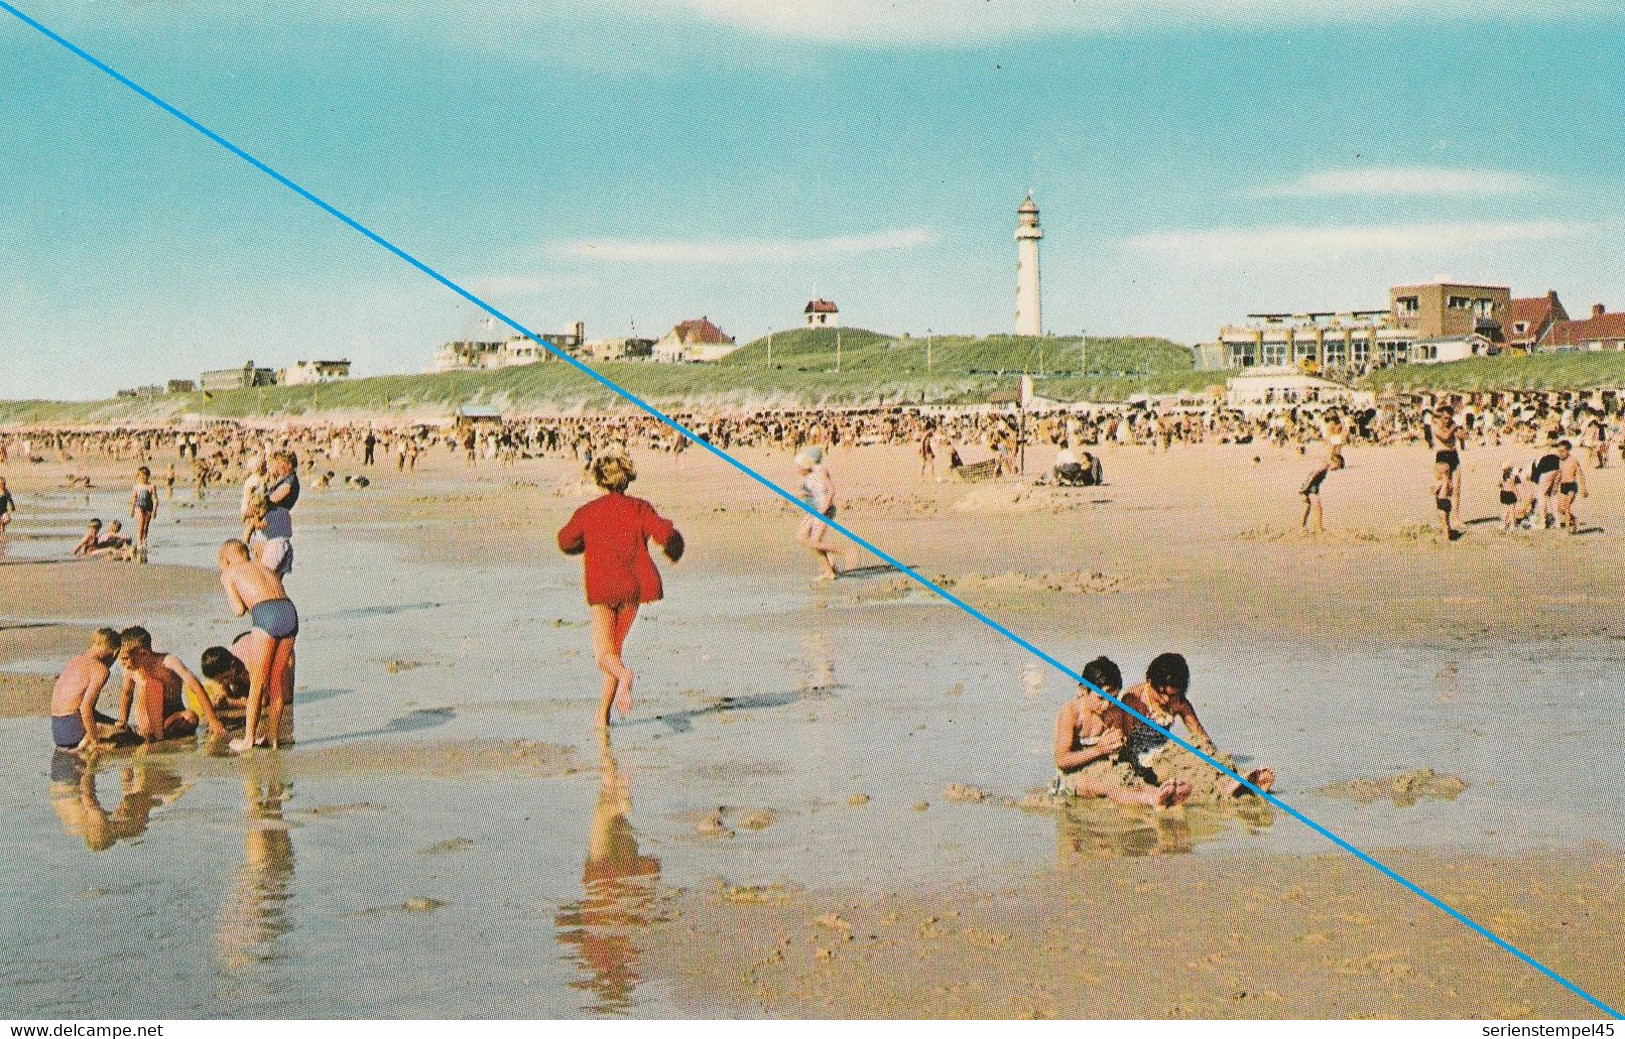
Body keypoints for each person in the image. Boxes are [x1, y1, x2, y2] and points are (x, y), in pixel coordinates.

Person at [557, 454, 683, 727]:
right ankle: (603, 717)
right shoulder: (640, 508)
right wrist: (674, 548)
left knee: (604, 656)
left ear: (600, 481)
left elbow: (565, 540)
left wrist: (583, 545)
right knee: (614, 651)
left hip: (603, 588)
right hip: (632, 588)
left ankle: (625, 678)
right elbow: (665, 533)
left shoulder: (589, 511)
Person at [1120, 652, 1274, 802]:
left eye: (1172, 695)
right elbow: (1127, 744)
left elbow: (1201, 736)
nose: (1166, 699)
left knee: (1197, 746)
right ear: (1150, 681)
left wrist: (1215, 757)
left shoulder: (1178, 702)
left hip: (1164, 752)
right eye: (1161, 693)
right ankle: (1224, 786)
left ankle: (1234, 778)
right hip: (1144, 760)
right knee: (1185, 765)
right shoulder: (1133, 700)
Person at [1052, 656, 1191, 808]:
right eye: (1101, 697)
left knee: (1134, 780)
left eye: (1113, 698)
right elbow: (1062, 760)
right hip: (1075, 775)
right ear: (1084, 690)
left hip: (1105, 767)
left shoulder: (1114, 710)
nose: (1106, 705)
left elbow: (1118, 753)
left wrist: (1120, 746)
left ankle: (1160, 794)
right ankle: (1151, 800)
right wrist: (1099, 750)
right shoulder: (1071, 713)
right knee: (1108, 788)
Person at [219, 540, 298, 752]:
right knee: (276, 681)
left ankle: (248, 739)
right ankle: (272, 737)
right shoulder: (264, 566)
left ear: (225, 558)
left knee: (257, 682)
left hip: (266, 615)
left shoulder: (229, 573)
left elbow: (238, 610)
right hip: (289, 611)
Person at [115, 626, 226, 743]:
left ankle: (159, 734)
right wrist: (123, 721)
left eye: (125, 658)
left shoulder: (168, 662)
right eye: (121, 659)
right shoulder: (130, 669)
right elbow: (127, 693)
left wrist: (213, 720)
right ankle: (148, 732)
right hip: (147, 717)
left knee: (190, 718)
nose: (123, 663)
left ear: (143, 653)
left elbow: (196, 686)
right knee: (147, 687)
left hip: (173, 713)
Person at [50, 628, 121, 752]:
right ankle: (85, 744)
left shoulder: (74, 660)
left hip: (58, 732)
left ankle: (82, 744)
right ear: (115, 653)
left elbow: (84, 710)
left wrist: (113, 721)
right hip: (73, 732)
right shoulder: (101, 670)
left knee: (113, 727)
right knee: (125, 735)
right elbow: (85, 709)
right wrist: (96, 743)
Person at [793, 446, 844, 581]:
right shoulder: (808, 473)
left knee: (813, 542)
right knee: (803, 538)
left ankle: (835, 562)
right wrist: (802, 493)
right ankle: (829, 567)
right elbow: (803, 492)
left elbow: (831, 490)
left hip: (822, 510)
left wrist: (823, 508)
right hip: (813, 511)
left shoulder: (820, 470)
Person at [1431, 405, 1464, 516]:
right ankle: (1444, 515)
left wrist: (1461, 432)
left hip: (1453, 455)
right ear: (1440, 417)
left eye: (1449, 418)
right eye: (1445, 418)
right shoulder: (1435, 426)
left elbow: (1462, 436)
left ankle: (1455, 516)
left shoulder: (1452, 425)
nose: (1447, 420)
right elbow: (1444, 437)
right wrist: (1453, 428)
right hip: (1442, 455)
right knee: (1446, 487)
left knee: (1456, 488)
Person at [1554, 439, 1589, 533]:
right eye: (1559, 451)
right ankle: (1575, 520)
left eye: (1562, 451)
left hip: (1572, 485)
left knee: (1566, 506)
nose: (1560, 453)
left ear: (1568, 450)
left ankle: (1568, 529)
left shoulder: (1573, 461)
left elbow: (1580, 475)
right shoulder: (1560, 461)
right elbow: (1559, 474)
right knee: (1560, 509)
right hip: (1563, 486)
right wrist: (1555, 486)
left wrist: (1584, 488)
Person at [129, 466, 158, 562]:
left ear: (148, 476)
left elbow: (155, 499)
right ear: (138, 476)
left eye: (145, 476)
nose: (143, 478)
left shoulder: (151, 486)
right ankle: (138, 543)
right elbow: (134, 499)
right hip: (139, 507)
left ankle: (144, 541)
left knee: (146, 526)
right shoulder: (136, 487)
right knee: (140, 524)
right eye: (141, 476)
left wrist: (154, 510)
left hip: (148, 507)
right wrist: (132, 510)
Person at [1433, 462, 1457, 540]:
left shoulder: (1440, 482)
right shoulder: (1449, 482)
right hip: (1447, 502)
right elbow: (1450, 493)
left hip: (1441, 502)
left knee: (1443, 520)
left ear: (1440, 473)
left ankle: (1446, 537)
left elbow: (1435, 490)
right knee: (1447, 520)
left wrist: (1433, 490)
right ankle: (1449, 531)